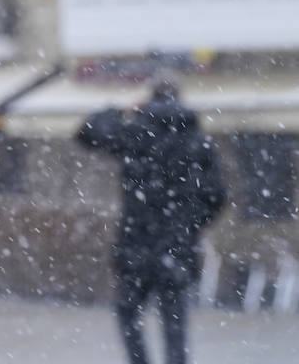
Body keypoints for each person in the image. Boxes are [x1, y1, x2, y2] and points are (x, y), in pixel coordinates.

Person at [78, 75, 227, 364]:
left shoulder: (135, 133)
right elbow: (217, 195)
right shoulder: (198, 141)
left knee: (128, 313)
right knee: (175, 325)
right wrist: (189, 224)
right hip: (178, 247)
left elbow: (87, 132)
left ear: (150, 99)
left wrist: (119, 111)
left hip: (137, 244)